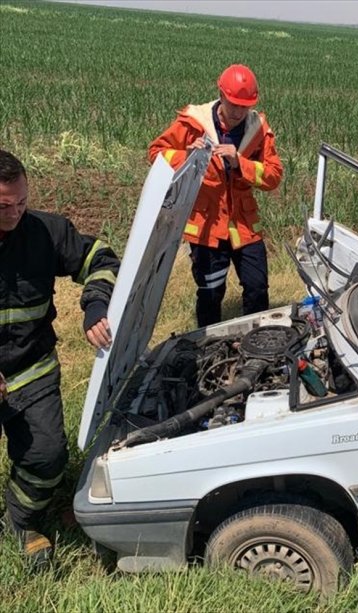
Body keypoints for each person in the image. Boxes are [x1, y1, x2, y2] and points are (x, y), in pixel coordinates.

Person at [0, 149, 119, 569]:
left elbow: (101, 257)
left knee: (48, 457)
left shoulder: (45, 232)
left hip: (31, 369)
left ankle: (23, 519)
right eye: (3, 206)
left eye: (22, 202)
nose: (14, 212)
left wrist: (96, 304)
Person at [148, 63, 283, 327]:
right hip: (207, 227)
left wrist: (239, 162)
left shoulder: (258, 129)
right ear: (220, 95)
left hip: (244, 227)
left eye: (244, 106)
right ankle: (209, 346)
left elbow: (273, 175)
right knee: (210, 292)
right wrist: (186, 155)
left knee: (257, 289)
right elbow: (155, 154)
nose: (237, 112)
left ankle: (257, 345)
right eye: (233, 104)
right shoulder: (193, 123)